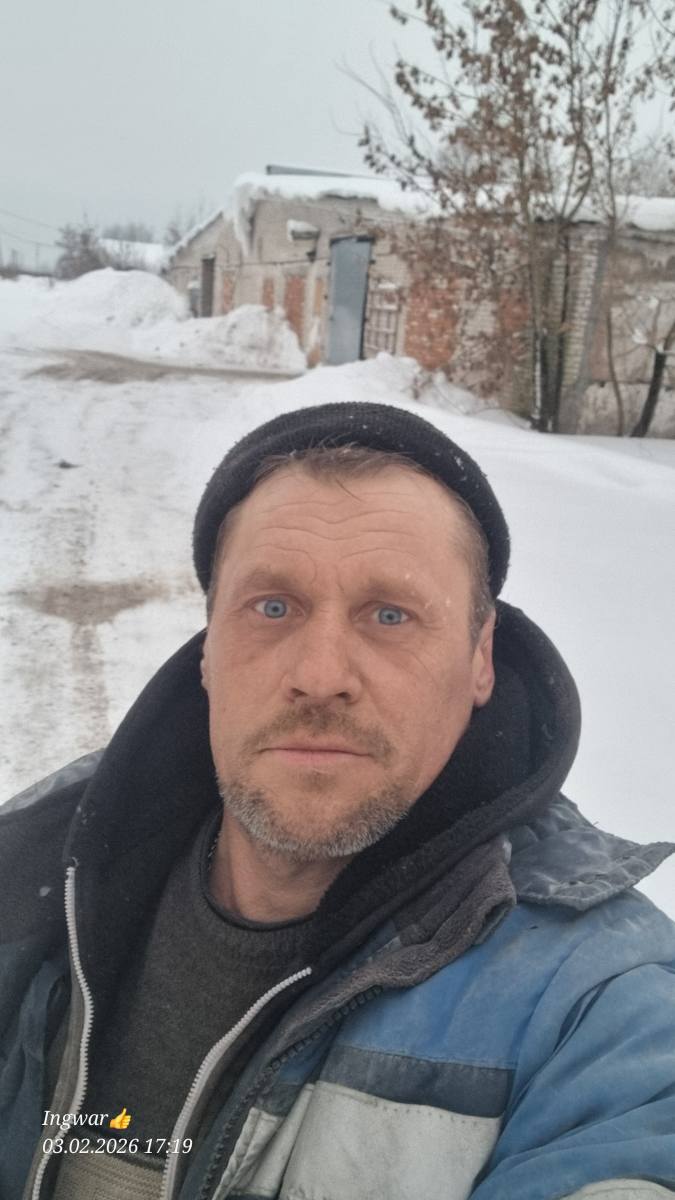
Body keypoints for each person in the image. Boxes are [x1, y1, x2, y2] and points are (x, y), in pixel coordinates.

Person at [1, 401, 674, 1200]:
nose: (320, 676)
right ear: (209, 645)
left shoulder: (598, 1011)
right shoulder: (31, 870)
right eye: (272, 607)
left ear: (480, 658)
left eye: (390, 615)